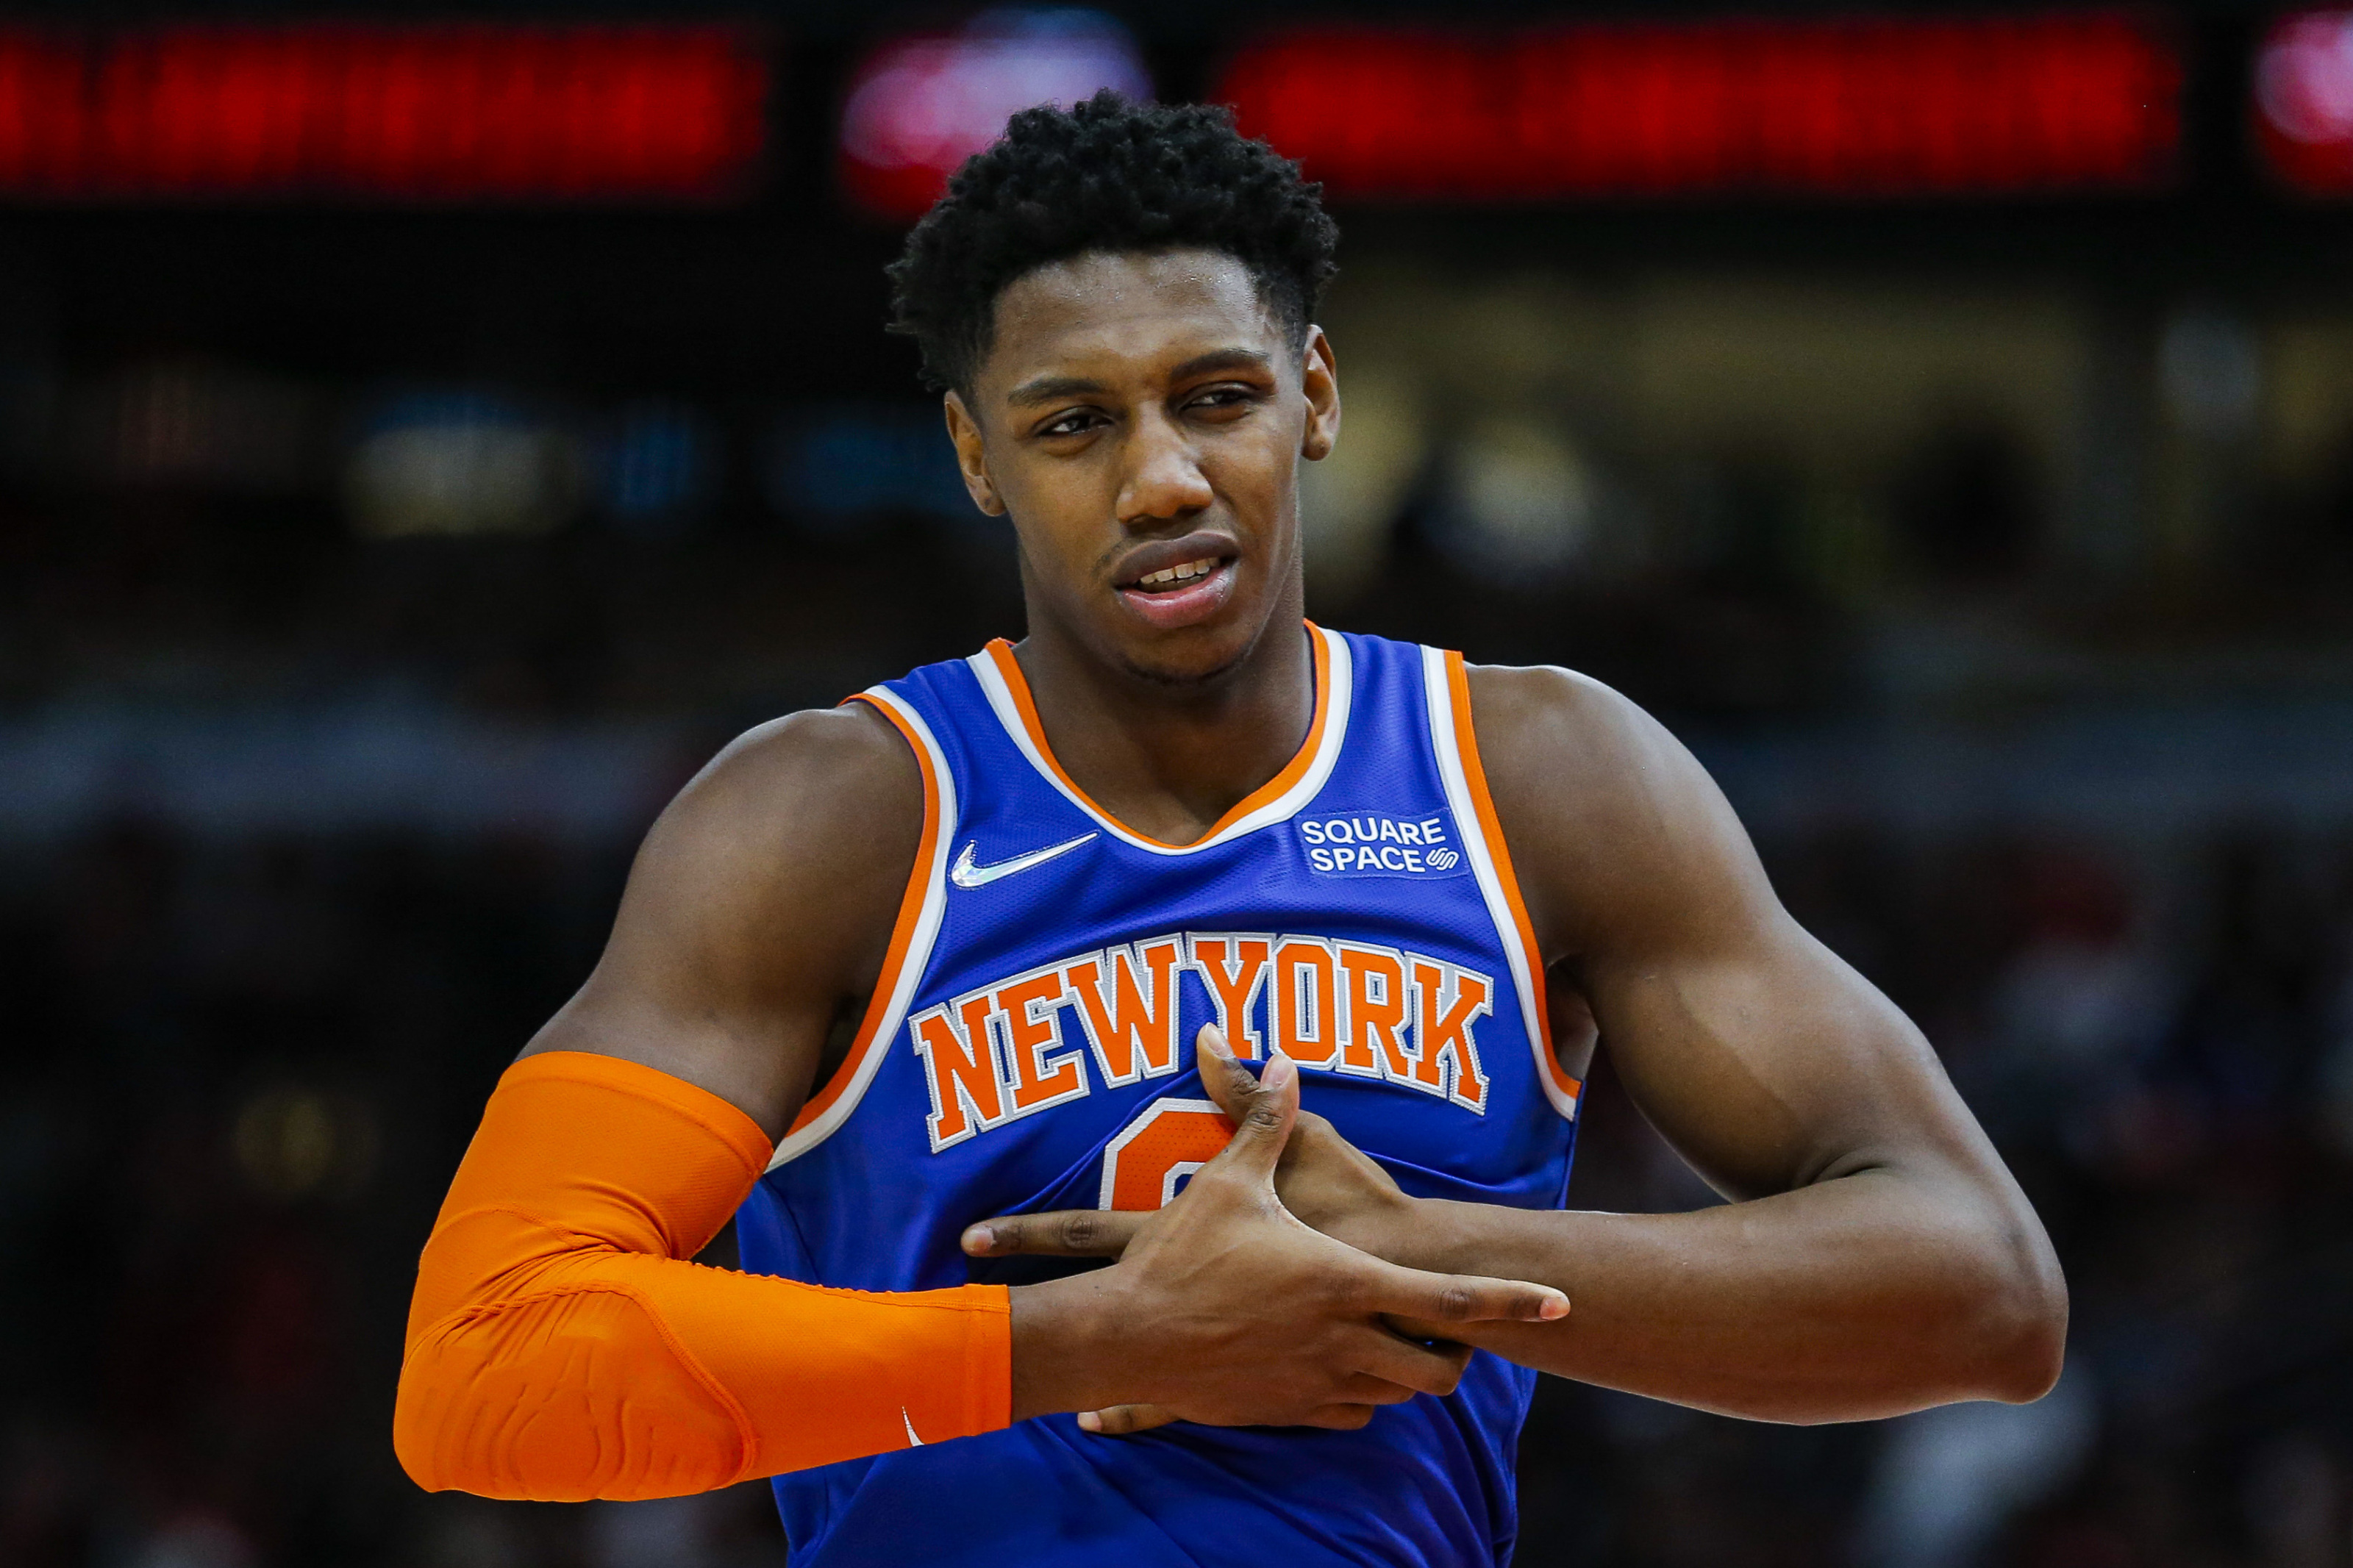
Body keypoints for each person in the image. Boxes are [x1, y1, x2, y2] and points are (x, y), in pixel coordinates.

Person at [393, 92, 2065, 1567]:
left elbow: (1985, 1287)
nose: (1162, 480)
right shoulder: (827, 818)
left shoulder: (1542, 775)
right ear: (976, 455)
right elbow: (483, 1365)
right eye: (1073, 422)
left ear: (1314, 395)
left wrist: (1413, 1253)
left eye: (1213, 397)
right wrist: (1103, 1336)